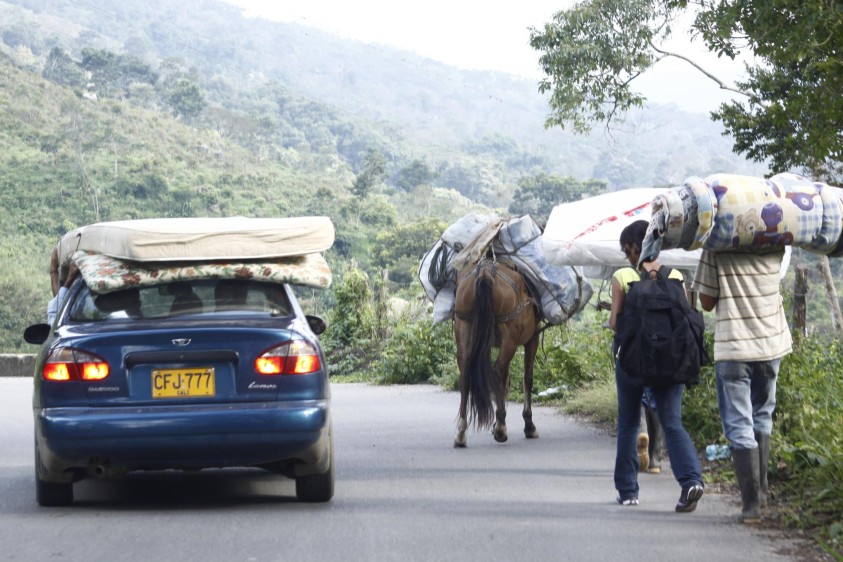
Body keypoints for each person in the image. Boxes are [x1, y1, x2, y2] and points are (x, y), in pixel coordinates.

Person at [609, 220, 704, 511]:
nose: (627, 257)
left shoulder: (623, 276)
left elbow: (614, 322)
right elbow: (686, 317)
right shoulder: (675, 275)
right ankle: (691, 482)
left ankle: (628, 491)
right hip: (670, 359)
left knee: (627, 423)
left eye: (628, 250)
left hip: (631, 360)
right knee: (672, 422)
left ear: (635, 248)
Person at [693, 248, 792, 524]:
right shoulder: (776, 242)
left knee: (739, 423)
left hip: (735, 345)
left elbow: (707, 301)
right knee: (762, 414)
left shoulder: (717, 245)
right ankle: (760, 493)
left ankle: (751, 507)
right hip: (771, 343)